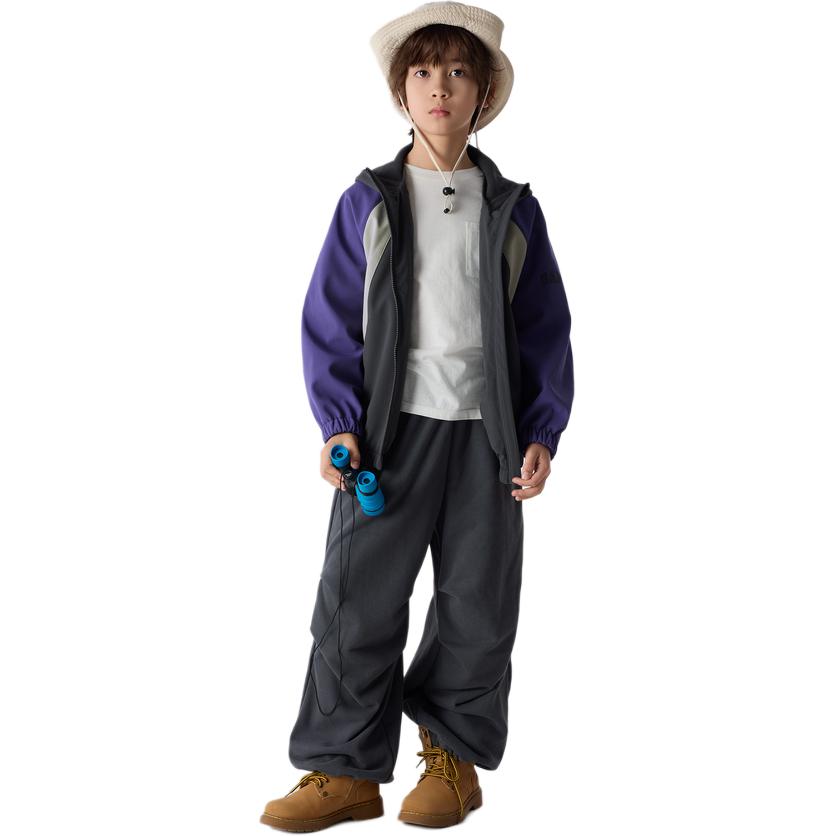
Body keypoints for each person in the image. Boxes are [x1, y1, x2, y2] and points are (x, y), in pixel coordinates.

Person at [260, 2, 574, 830]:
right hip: (387, 438)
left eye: (459, 73)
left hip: (487, 440)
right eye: (424, 72)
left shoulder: (512, 208)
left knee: (478, 605)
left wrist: (540, 433)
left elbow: (545, 328)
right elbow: (331, 320)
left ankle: (453, 762)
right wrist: (338, 422)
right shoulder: (369, 201)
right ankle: (343, 773)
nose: (441, 87)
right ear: (401, 93)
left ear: (484, 95)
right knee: (356, 603)